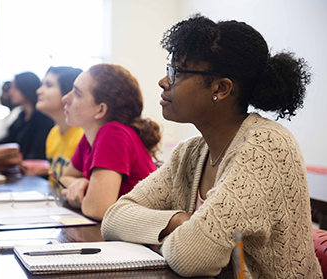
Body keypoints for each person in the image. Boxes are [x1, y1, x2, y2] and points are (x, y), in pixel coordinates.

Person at [101, 14, 322, 278]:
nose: (163, 81)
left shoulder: (267, 146)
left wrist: (157, 234)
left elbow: (191, 257)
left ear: (221, 88)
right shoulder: (190, 153)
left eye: (176, 72)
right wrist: (179, 221)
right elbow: (114, 219)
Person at [60, 64, 161, 221]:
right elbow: (65, 177)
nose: (65, 98)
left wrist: (79, 196)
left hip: (140, 243)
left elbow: (98, 210)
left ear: (100, 110)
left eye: (77, 94)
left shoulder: (113, 134)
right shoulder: (90, 137)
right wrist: (80, 183)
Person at [36, 66, 84, 188]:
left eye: (48, 85)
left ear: (68, 93)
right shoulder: (53, 133)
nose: (39, 91)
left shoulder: (83, 136)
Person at [0, 72, 54, 160]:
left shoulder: (44, 120)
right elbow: (7, 141)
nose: (10, 92)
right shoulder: (21, 116)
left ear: (25, 88)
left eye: (14, 88)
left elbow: (36, 156)